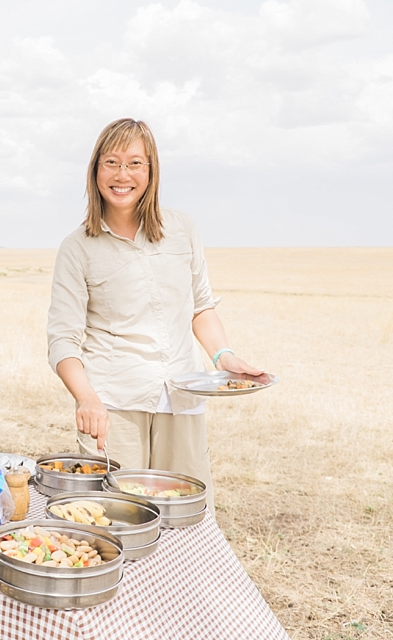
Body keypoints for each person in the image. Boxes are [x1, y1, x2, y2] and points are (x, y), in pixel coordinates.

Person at [46, 118, 263, 510]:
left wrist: (224, 357)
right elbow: (63, 341)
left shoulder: (182, 229)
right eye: (111, 163)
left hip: (182, 396)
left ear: (151, 171)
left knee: (187, 513)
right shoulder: (77, 248)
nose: (122, 175)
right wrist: (87, 398)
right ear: (95, 170)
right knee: (118, 517)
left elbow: (200, 307)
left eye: (135, 163)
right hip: (113, 405)